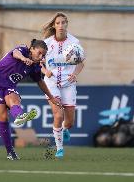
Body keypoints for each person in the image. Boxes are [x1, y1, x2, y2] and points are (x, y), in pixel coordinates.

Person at [0, 39, 61, 160]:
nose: (41, 57)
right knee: (3, 116)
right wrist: (23, 59)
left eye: (43, 55)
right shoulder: (23, 49)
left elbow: (40, 82)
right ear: (32, 49)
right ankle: (10, 152)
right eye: (39, 53)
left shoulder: (35, 66)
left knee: (14, 98)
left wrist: (51, 97)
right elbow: (15, 53)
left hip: (9, 86)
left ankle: (19, 116)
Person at [41, 12, 85, 158]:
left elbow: (81, 63)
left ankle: (65, 130)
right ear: (54, 25)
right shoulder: (46, 43)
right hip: (51, 83)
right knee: (58, 115)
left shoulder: (74, 43)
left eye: (63, 23)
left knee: (70, 121)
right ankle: (59, 148)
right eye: (58, 23)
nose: (61, 25)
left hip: (68, 84)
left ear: (67, 24)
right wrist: (45, 70)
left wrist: (75, 74)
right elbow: (37, 62)